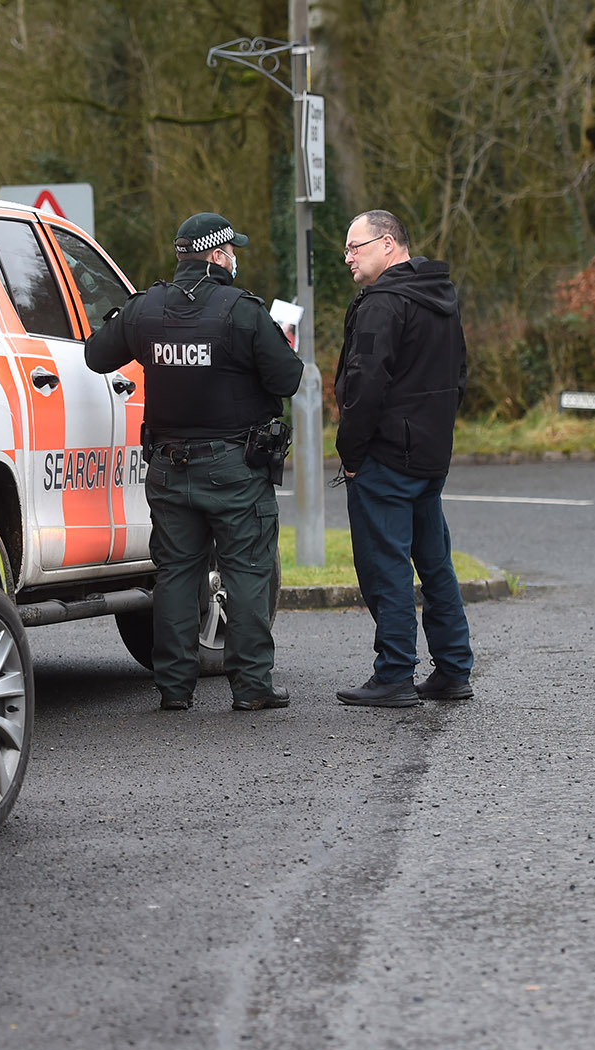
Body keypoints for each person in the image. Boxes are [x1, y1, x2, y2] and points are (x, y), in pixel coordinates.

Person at [86, 212, 303, 711]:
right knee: (246, 572)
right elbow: (287, 378)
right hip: (235, 467)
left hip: (167, 465)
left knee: (176, 575)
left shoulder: (146, 309)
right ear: (220, 255)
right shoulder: (243, 311)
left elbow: (98, 356)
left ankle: (174, 690)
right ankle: (251, 688)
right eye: (234, 251)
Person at [334, 209, 474, 707]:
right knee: (434, 562)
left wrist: (350, 453)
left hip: (385, 457)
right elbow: (459, 376)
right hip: (430, 455)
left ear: (388, 244)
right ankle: (454, 668)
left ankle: (394, 674)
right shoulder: (442, 298)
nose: (347, 256)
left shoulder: (382, 304)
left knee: (385, 565)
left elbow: (363, 386)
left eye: (356, 246)